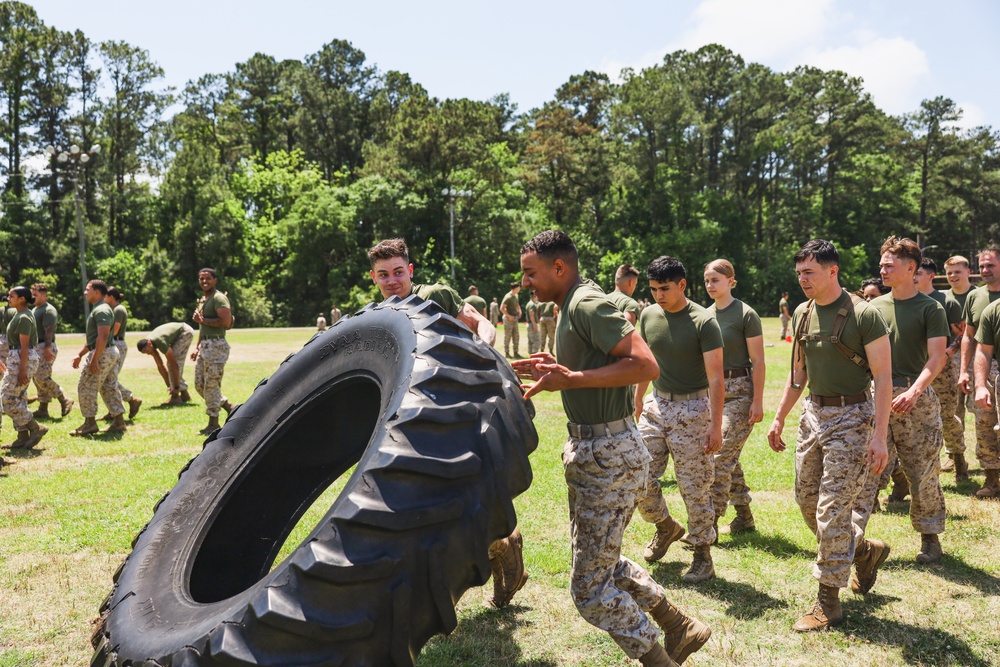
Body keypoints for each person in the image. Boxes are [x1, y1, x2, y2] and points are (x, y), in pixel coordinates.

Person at [513, 230, 710, 667]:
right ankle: (678, 626)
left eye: (531, 273)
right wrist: (562, 368)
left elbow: (645, 364)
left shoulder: (585, 303)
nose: (525, 282)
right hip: (596, 450)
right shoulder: (570, 307)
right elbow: (599, 362)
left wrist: (573, 379)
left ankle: (659, 659)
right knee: (601, 560)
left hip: (608, 453)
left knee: (589, 592)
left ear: (559, 268)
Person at [367, 238, 527, 609]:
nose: (392, 281)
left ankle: (502, 547)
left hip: (458, 408)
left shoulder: (434, 294)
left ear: (410, 270)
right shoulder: (379, 315)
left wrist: (482, 356)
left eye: (397, 272)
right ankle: (503, 545)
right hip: (412, 421)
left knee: (458, 500)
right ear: (373, 277)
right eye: (383, 275)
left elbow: (482, 324)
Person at [768, 239, 892, 632]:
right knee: (806, 500)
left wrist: (879, 436)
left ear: (832, 271)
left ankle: (828, 603)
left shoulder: (864, 315)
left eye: (810, 272)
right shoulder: (803, 313)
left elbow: (884, 378)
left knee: (832, 509)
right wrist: (778, 418)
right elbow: (798, 375)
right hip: (814, 414)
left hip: (854, 415)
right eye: (799, 273)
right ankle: (864, 550)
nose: (802, 279)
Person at [632, 255, 724, 584]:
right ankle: (666, 527)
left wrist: (715, 424)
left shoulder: (703, 321)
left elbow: (716, 378)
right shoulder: (649, 315)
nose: (658, 295)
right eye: (654, 288)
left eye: (665, 288)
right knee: (637, 474)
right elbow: (645, 361)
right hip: (658, 405)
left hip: (694, 409)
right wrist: (638, 397)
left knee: (694, 488)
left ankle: (702, 555)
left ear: (682, 285)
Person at [866, 237, 949, 563]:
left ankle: (930, 538)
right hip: (876, 397)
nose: (883, 270)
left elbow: (937, 358)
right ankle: (855, 538)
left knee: (923, 470)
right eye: (882, 264)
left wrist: (914, 391)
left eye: (890, 265)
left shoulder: (930, 308)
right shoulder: (873, 308)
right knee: (867, 468)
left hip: (917, 398)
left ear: (911, 268)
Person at [704, 259, 765, 537]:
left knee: (719, 457)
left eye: (715, 280)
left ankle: (709, 524)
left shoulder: (745, 314)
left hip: (740, 391)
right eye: (707, 280)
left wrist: (757, 400)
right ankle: (744, 517)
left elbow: (759, 360)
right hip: (712, 393)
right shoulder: (704, 315)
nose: (710, 285)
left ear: (731, 280)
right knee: (729, 456)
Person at [915, 259, 966, 483]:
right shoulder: (910, 300)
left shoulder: (946, 301)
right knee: (919, 420)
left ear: (931, 276)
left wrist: (946, 353)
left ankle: (959, 458)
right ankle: (927, 467)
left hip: (943, 369)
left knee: (946, 416)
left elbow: (962, 334)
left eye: (918, 273)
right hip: (916, 368)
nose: (913, 276)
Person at [958, 248, 1000, 498]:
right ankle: (992, 479)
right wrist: (965, 371)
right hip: (984, 365)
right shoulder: (976, 297)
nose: (985, 270)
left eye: (990, 266)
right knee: (984, 424)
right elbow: (969, 337)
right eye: (982, 266)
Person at [70, 280, 126, 436]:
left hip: (103, 352)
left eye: (88, 289)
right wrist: (80, 355)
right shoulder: (100, 309)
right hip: (107, 351)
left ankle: (89, 423)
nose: (85, 292)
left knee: (86, 386)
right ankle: (119, 422)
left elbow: (103, 336)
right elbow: (94, 338)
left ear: (96, 292)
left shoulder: (101, 310)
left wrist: (94, 359)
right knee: (109, 385)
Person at [1, 286, 47, 449]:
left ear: (21, 299)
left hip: (21, 359)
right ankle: (22, 436)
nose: (8, 297)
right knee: (17, 398)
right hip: (17, 358)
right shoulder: (19, 315)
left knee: (7, 399)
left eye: (11, 295)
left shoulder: (24, 317)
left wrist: (21, 370)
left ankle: (36, 428)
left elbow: (25, 346)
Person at [941, 255, 974, 478]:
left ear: (968, 272)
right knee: (953, 410)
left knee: (981, 411)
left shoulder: (976, 295)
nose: (953, 276)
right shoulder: (943, 298)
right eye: (950, 272)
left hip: (976, 359)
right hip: (951, 361)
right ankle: (954, 456)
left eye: (958, 272)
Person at [191, 268, 234, 435]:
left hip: (216, 345)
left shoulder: (219, 298)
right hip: (205, 345)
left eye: (207, 278)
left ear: (215, 280)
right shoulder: (203, 299)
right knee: (199, 384)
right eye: (201, 278)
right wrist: (197, 347)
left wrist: (203, 320)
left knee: (211, 383)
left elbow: (226, 321)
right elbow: (203, 328)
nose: (204, 281)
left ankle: (213, 423)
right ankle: (229, 407)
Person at [30, 283, 73, 419]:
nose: (33, 297)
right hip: (36, 346)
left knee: (42, 377)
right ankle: (43, 408)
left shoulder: (48, 310)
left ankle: (64, 398)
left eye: (35, 295)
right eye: (32, 294)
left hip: (45, 346)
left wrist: (48, 348)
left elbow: (49, 330)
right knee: (37, 378)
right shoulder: (35, 309)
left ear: (44, 295)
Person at [103, 287, 142, 421]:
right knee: (108, 378)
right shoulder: (113, 309)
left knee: (109, 379)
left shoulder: (118, 309)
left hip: (117, 344)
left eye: (105, 296)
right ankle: (113, 409)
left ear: (111, 297)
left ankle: (131, 399)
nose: (103, 298)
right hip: (114, 343)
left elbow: (115, 330)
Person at [137, 322, 196, 405]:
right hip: (178, 334)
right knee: (170, 364)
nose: (148, 353)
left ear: (149, 344)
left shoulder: (160, 341)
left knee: (172, 363)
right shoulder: (150, 344)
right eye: (145, 353)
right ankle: (184, 395)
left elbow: (174, 365)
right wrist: (169, 386)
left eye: (147, 351)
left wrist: (175, 387)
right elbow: (160, 366)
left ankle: (176, 397)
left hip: (185, 332)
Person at [501, 282, 522, 358]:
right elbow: (502, 308)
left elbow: (517, 304)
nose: (520, 289)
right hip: (508, 319)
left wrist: (519, 311)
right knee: (508, 336)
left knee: (516, 336)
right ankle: (507, 353)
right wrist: (509, 316)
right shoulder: (508, 297)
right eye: (519, 288)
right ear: (516, 288)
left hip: (515, 318)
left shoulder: (516, 295)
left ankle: (516, 352)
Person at [525, 291, 540, 355]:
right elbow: (531, 315)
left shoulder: (528, 303)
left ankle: (530, 353)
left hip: (529, 324)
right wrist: (534, 325)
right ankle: (534, 353)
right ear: (535, 296)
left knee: (530, 340)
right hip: (532, 324)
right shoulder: (532, 304)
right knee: (536, 340)